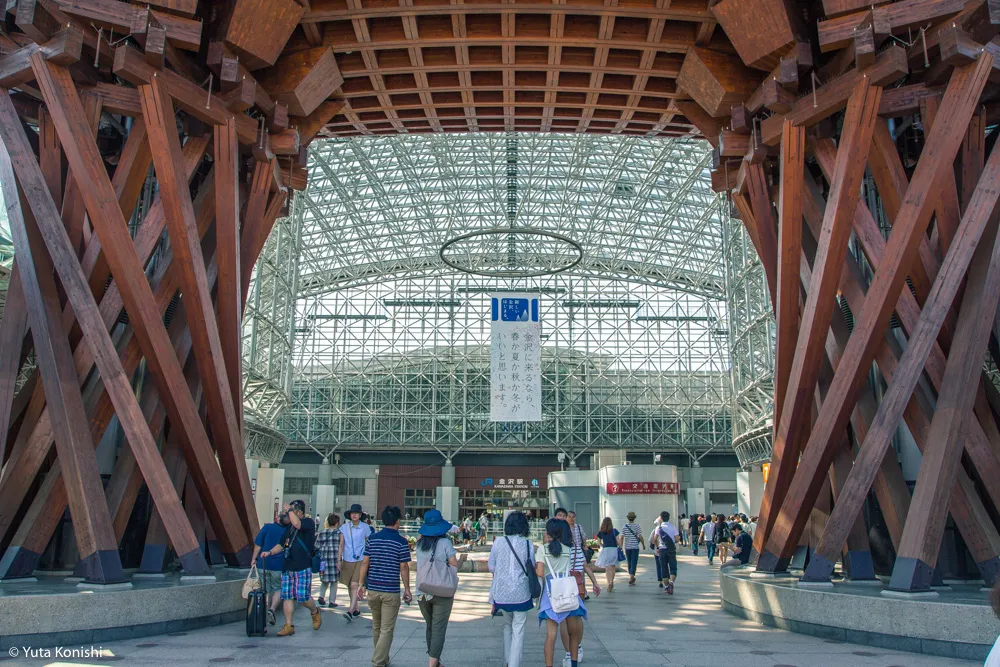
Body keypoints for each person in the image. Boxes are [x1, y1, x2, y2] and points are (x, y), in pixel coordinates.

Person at [536, 518, 596, 667]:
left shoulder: (543, 549)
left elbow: (540, 572)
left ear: (549, 533)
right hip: (569, 592)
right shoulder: (570, 550)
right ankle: (573, 662)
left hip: (551, 594)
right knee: (573, 633)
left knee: (551, 635)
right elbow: (577, 568)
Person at [359, 505, 413, 667]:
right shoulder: (401, 541)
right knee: (386, 629)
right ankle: (378, 661)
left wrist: (361, 584)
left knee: (377, 626)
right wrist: (408, 589)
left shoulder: (373, 539)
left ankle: (383, 657)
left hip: (373, 589)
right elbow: (404, 567)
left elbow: (365, 562)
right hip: (390, 590)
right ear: (397, 521)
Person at [259, 500, 322, 636]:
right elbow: (281, 545)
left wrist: (289, 510)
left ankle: (314, 611)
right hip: (288, 566)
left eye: (291, 512)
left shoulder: (307, 523)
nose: (287, 515)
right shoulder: (289, 529)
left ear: (299, 512)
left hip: (303, 566)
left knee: (303, 597)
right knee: (287, 596)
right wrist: (269, 552)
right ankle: (289, 625)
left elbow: (297, 523)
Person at [488, 511, 535, 667]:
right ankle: (514, 664)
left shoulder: (498, 542)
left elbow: (491, 567)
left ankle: (507, 661)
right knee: (518, 629)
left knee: (507, 626)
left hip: (501, 592)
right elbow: (532, 567)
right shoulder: (528, 544)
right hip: (521, 592)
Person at [415, 509, 459, 667]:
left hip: (422, 592)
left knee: (430, 626)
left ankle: (435, 661)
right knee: (439, 628)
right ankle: (432, 664)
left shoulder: (419, 543)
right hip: (442, 591)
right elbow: (453, 564)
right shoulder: (445, 542)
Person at [561, 509, 599, 665]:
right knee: (577, 618)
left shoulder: (555, 550)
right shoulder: (576, 549)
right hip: (578, 586)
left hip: (562, 588)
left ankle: (570, 654)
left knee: (564, 620)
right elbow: (586, 567)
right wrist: (595, 583)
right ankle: (577, 648)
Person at [250, 516, 285, 626]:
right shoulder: (288, 531)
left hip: (263, 563)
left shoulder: (267, 527)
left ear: (278, 518)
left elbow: (258, 545)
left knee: (265, 589)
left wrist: (253, 559)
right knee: (278, 588)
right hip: (279, 565)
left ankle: (263, 615)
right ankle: (272, 609)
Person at [339, 503, 372, 621]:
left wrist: (369, 558)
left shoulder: (365, 527)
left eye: (357, 513)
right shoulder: (344, 527)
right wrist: (339, 560)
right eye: (352, 513)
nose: (354, 515)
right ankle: (356, 608)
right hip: (347, 558)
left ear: (360, 515)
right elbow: (341, 544)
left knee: (354, 584)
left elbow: (369, 542)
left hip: (361, 559)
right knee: (349, 585)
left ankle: (350, 610)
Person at [650, 511, 680, 595]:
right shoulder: (673, 527)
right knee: (673, 567)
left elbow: (655, 539)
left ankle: (666, 586)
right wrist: (671, 542)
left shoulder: (658, 528)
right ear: (669, 518)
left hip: (662, 550)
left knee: (663, 568)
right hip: (671, 550)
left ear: (661, 518)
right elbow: (677, 539)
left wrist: (658, 546)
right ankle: (671, 583)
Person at [316, 512, 341, 607]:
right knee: (334, 582)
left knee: (324, 580)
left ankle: (321, 596)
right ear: (337, 523)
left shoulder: (322, 533)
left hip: (323, 561)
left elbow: (317, 546)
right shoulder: (339, 533)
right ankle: (332, 601)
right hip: (335, 560)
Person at [594, 517, 620, 591]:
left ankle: (609, 583)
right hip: (614, 549)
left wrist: (602, 545)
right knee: (613, 567)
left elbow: (598, 541)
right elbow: (618, 541)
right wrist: (620, 547)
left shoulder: (601, 531)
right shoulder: (615, 531)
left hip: (606, 550)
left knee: (607, 568)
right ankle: (611, 581)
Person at [621, 512, 644, 586]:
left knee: (629, 562)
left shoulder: (624, 526)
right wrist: (643, 544)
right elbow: (640, 536)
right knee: (634, 561)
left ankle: (631, 575)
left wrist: (620, 546)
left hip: (627, 547)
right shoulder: (637, 526)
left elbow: (621, 537)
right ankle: (631, 576)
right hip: (635, 547)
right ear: (634, 518)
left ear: (628, 518)